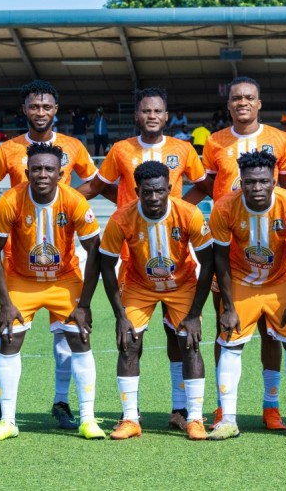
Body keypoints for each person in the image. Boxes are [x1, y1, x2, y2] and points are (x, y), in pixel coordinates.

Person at [0, 79, 104, 429]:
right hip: (20, 262)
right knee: (9, 336)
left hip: (63, 267)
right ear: (24, 109)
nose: (40, 111)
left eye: (46, 106)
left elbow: (96, 182)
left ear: (56, 109)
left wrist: (64, 201)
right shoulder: (8, 151)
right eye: (34, 106)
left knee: (70, 338)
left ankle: (66, 404)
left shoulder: (73, 147)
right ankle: (6, 413)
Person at [85, 86, 209, 430]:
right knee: (129, 341)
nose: (151, 116)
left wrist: (179, 211)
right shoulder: (120, 150)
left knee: (181, 338)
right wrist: (126, 206)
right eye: (145, 111)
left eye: (157, 111)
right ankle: (131, 416)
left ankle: (184, 412)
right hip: (134, 260)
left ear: (166, 116)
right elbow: (99, 186)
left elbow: (203, 185)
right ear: (136, 115)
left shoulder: (183, 149)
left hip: (176, 255)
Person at [202, 76, 286, 431]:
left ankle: (271, 406)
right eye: (236, 98)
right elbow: (207, 187)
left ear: (259, 103)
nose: (242, 102)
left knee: (273, 332)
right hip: (229, 251)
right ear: (229, 105)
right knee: (225, 326)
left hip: (272, 250)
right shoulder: (215, 142)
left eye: (249, 97)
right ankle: (222, 406)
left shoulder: (281, 140)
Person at [99, 160, 214, 441]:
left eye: (159, 191)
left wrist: (195, 313)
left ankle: (194, 418)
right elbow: (106, 265)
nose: (153, 197)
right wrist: (120, 316)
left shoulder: (189, 214)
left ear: (169, 188)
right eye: (147, 191)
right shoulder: (121, 218)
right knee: (128, 343)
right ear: (136, 191)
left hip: (182, 285)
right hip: (139, 285)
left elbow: (209, 263)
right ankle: (130, 418)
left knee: (190, 343)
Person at [207, 150, 286, 440]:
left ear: (274, 181)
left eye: (264, 181)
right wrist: (228, 306)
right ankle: (227, 418)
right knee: (230, 342)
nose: (257, 187)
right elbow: (219, 258)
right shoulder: (224, 207)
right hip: (241, 280)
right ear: (241, 182)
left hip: (279, 280)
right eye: (250, 182)